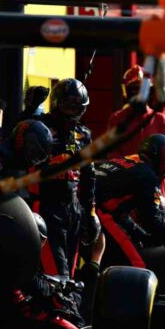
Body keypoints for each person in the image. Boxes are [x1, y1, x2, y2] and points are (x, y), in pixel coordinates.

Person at [36, 78, 98, 277]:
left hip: (74, 210)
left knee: (70, 272)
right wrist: (29, 110)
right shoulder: (40, 127)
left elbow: (89, 177)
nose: (72, 111)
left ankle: (67, 305)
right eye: (68, 105)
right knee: (56, 272)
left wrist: (89, 212)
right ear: (57, 103)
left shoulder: (84, 135)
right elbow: (19, 140)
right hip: (46, 206)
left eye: (77, 106)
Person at [95, 134, 165, 269]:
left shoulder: (126, 162)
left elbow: (118, 210)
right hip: (100, 215)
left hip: (82, 211)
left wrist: (140, 235)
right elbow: (151, 220)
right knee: (137, 268)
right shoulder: (147, 175)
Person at [107, 65, 165, 159]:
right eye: (133, 90)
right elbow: (112, 153)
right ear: (126, 92)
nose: (137, 95)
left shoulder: (162, 120)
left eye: (141, 90)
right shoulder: (116, 119)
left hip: (152, 173)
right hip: (125, 172)